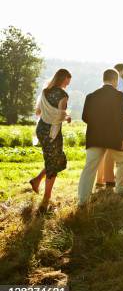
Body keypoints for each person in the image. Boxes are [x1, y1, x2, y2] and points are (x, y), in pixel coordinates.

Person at [77, 69, 123, 206]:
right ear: (114, 80)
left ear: (103, 78)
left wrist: (97, 124)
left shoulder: (90, 96)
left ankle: (82, 201)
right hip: (113, 137)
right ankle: (120, 189)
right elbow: (119, 118)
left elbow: (84, 117)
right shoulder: (118, 95)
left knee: (89, 168)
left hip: (94, 136)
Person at [29, 69, 72, 212]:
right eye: (68, 79)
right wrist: (67, 117)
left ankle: (36, 181)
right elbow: (59, 116)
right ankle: (45, 201)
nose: (69, 82)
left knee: (55, 159)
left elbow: (38, 112)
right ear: (64, 78)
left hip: (41, 129)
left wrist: (56, 114)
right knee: (53, 162)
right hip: (52, 132)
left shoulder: (45, 91)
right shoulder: (63, 95)